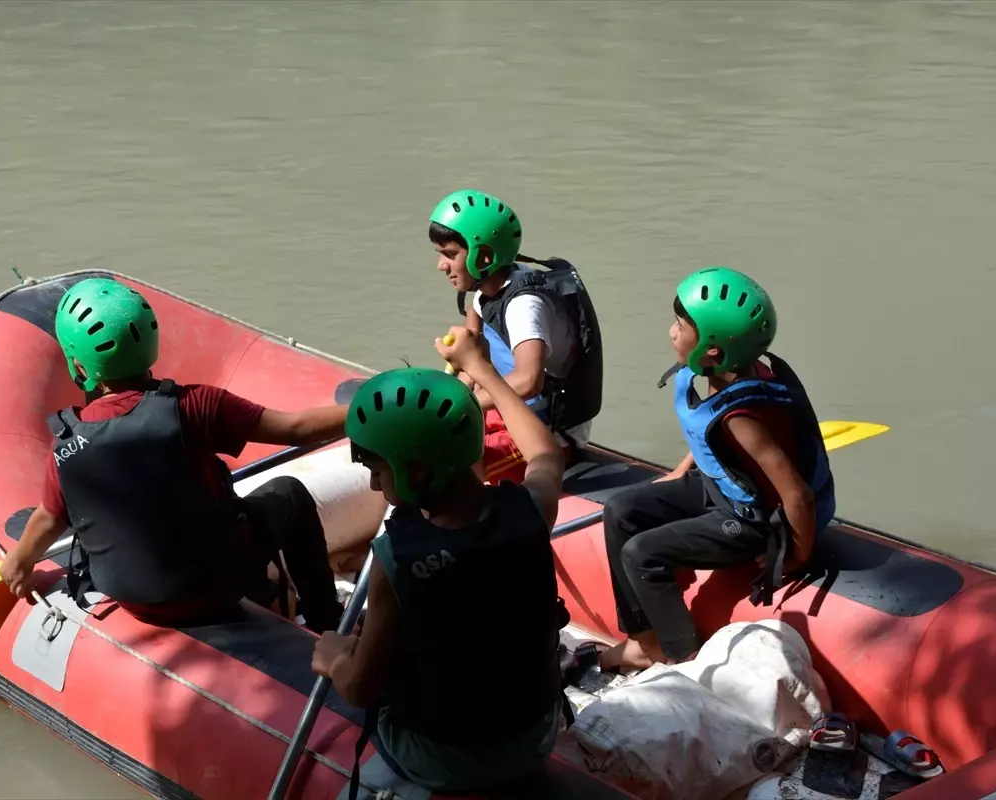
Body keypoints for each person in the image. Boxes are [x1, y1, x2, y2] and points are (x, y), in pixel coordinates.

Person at [0, 277, 347, 633]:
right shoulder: (195, 406)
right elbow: (295, 429)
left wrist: (20, 562)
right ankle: (327, 624)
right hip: (217, 585)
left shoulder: (66, 444)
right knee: (289, 493)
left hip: (138, 600)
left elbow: (48, 518)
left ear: (81, 367)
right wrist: (367, 412)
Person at [311, 327, 567, 795]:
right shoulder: (531, 511)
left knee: (359, 656)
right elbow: (546, 454)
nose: (372, 486)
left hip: (442, 761)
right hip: (534, 741)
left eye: (375, 469)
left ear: (418, 472)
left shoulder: (395, 562)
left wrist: (334, 660)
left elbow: (361, 690)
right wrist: (483, 369)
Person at [599, 267, 836, 672]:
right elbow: (707, 436)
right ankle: (642, 639)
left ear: (711, 349)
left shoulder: (744, 415)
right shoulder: (723, 371)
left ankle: (680, 652)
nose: (671, 331)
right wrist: (681, 471)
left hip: (751, 521)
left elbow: (796, 493)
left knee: (642, 553)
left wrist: (795, 557)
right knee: (620, 510)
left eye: (680, 324)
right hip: (718, 489)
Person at [428, 188, 603, 483]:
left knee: (442, 462)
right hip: (503, 409)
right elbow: (471, 360)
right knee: (423, 434)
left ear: (483, 256)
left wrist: (463, 406)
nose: (441, 265)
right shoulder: (484, 292)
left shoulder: (524, 305)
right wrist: (448, 404)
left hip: (544, 432)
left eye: (450, 254)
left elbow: (528, 381)